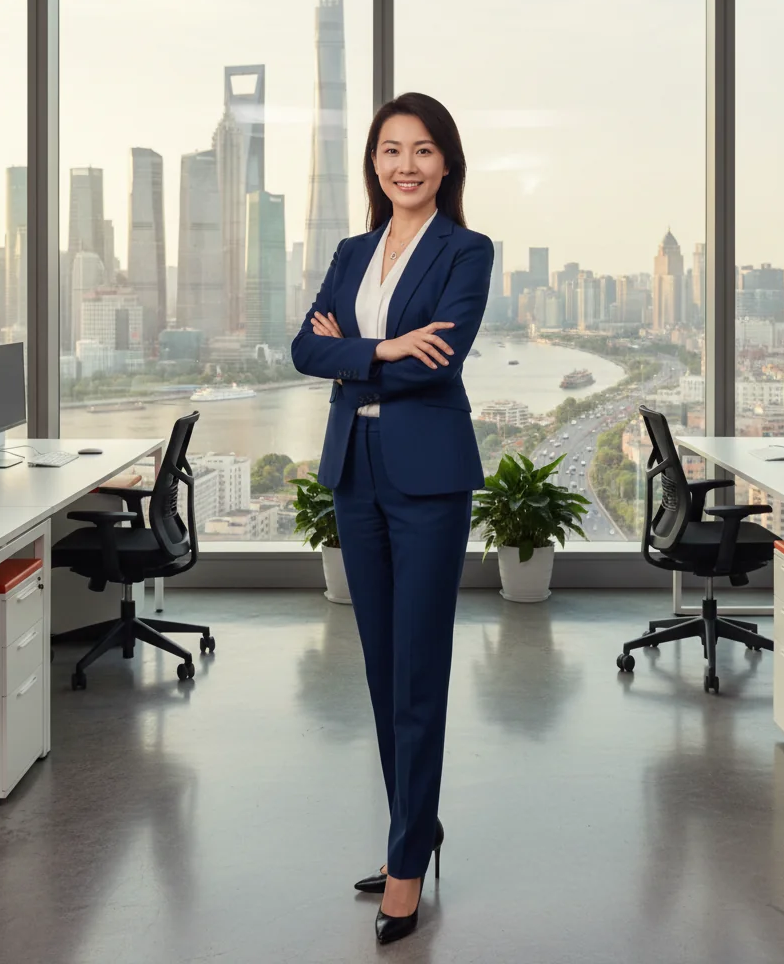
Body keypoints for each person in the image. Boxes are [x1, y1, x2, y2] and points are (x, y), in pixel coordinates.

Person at [290, 92, 494, 944]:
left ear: (446, 163)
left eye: (421, 150)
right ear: (374, 163)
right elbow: (303, 349)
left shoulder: (466, 250)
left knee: (418, 671)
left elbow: (438, 360)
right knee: (381, 668)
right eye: (389, 150)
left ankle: (406, 860)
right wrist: (379, 348)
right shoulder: (352, 252)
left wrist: (351, 356)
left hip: (428, 477)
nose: (404, 165)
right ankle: (415, 825)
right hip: (355, 470)